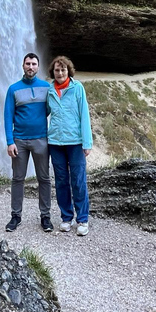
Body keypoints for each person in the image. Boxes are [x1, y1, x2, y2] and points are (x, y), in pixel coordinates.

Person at [3, 53, 53, 232]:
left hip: (41, 139)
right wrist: (10, 141)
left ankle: (45, 216)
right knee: (17, 178)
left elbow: (49, 110)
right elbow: (8, 116)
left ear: (38, 67)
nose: (30, 67)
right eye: (27, 64)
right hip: (19, 141)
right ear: (22, 66)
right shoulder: (13, 89)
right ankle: (15, 216)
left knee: (44, 178)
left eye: (33, 64)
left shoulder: (47, 87)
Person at [46, 56, 93, 236]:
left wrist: (87, 143)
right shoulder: (49, 91)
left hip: (75, 142)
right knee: (61, 181)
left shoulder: (77, 88)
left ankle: (82, 219)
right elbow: (43, 113)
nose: (60, 73)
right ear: (53, 72)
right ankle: (66, 217)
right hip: (55, 142)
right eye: (57, 70)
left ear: (69, 71)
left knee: (78, 180)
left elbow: (84, 115)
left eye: (63, 70)